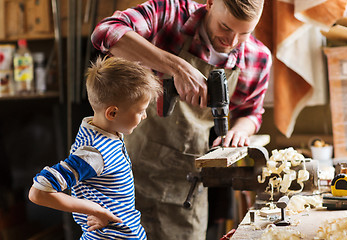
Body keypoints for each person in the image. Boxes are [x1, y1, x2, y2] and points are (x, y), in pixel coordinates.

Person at [91, 0, 272, 239]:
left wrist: (240, 130)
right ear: (209, 3)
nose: (232, 41)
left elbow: (251, 112)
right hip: (121, 181)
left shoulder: (256, 57)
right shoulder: (170, 14)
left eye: (244, 33)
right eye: (225, 27)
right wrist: (176, 66)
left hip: (182, 190)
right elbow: (106, 32)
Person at [28, 56, 162, 239]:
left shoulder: (106, 131)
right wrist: (96, 210)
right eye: (140, 111)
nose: (144, 116)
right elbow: (39, 192)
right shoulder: (94, 152)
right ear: (112, 112)